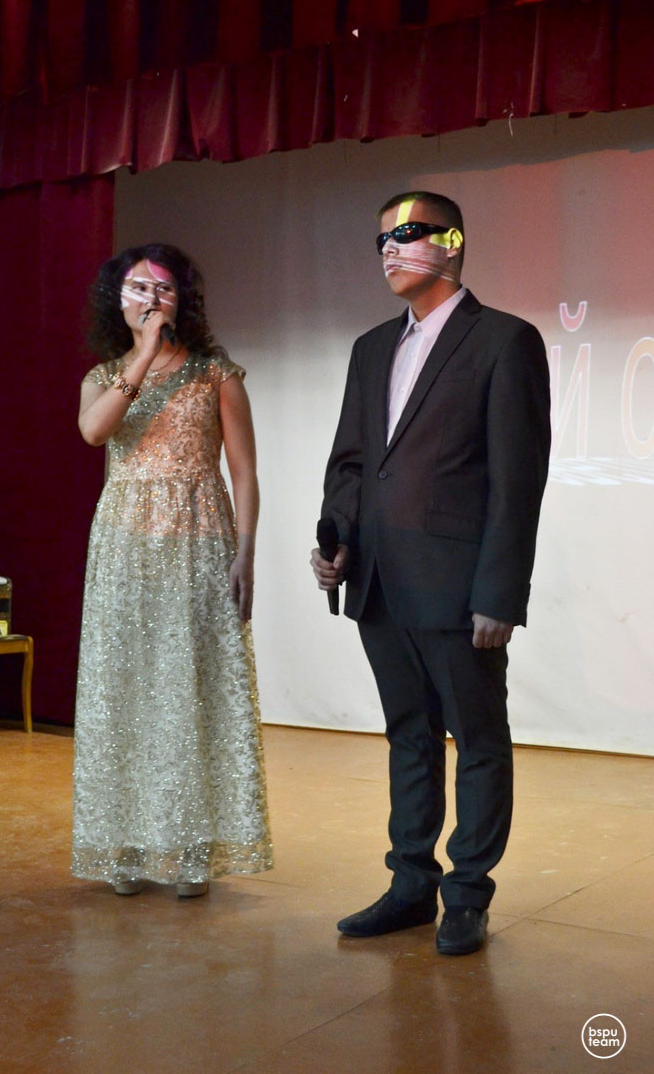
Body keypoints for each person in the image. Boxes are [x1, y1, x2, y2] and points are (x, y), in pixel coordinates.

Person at [311, 192, 550, 954]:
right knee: (407, 737)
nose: (389, 248)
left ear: (451, 243)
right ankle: (409, 885)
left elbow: (517, 480)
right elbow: (352, 463)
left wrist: (499, 592)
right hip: (378, 580)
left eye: (407, 234)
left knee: (476, 740)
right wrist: (336, 539)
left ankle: (467, 896)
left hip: (457, 586)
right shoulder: (370, 348)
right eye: (381, 239)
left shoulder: (504, 340)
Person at [72, 243, 272, 897]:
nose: (151, 298)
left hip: (198, 540)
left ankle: (192, 848)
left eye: (163, 288)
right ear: (117, 298)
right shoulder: (103, 376)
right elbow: (94, 433)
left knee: (190, 689)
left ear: (183, 299)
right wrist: (143, 357)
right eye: (138, 286)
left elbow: (244, 472)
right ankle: (126, 844)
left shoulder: (217, 375)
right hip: (124, 548)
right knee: (125, 691)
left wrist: (246, 551)